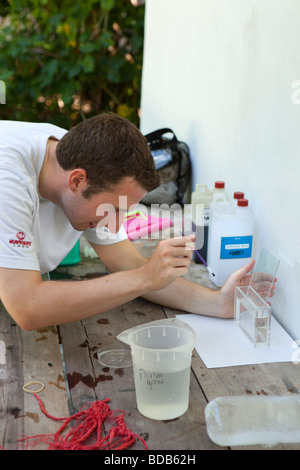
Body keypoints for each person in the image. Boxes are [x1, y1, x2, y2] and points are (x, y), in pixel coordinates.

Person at [0, 113, 274, 330]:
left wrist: (219, 302)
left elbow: (127, 264)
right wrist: (143, 278)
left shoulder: (78, 156)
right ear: (77, 180)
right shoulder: (8, 178)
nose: (115, 223)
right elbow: (27, 307)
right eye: (115, 208)